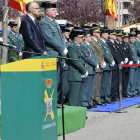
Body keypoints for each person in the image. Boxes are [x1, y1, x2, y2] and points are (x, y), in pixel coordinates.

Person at [39, 2, 68, 107]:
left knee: (57, 81)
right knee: (51, 81)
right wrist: (61, 48)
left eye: (56, 10)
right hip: (51, 55)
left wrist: (64, 49)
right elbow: (49, 38)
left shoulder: (55, 23)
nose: (56, 12)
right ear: (47, 11)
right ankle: (49, 103)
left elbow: (61, 38)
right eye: (53, 10)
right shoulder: (44, 23)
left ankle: (55, 101)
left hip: (58, 55)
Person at [67, 28, 88, 106]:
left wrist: (85, 69)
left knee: (80, 97)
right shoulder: (72, 46)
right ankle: (73, 115)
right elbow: (75, 61)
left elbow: (84, 59)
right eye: (81, 37)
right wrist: (84, 70)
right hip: (75, 74)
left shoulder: (80, 46)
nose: (83, 38)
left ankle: (79, 113)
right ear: (75, 38)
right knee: (74, 97)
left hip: (80, 74)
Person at [81, 30, 98, 108]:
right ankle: (84, 102)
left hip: (93, 68)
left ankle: (89, 101)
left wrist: (96, 63)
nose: (90, 37)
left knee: (91, 87)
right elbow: (87, 58)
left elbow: (94, 56)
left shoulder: (90, 45)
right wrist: (95, 64)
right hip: (88, 68)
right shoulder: (83, 45)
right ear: (84, 38)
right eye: (89, 36)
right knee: (86, 88)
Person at [90, 24, 106, 106]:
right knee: (94, 84)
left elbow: (101, 54)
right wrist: (100, 62)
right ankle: (92, 100)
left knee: (98, 84)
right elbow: (95, 54)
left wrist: (102, 62)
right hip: (96, 65)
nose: (99, 33)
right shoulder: (92, 41)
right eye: (98, 32)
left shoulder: (97, 41)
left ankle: (97, 98)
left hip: (100, 66)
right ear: (93, 33)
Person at [99, 28, 115, 104]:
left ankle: (107, 97)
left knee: (108, 83)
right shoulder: (101, 43)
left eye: (107, 34)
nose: (107, 35)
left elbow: (109, 53)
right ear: (102, 35)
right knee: (103, 83)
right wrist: (110, 60)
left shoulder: (105, 43)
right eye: (106, 34)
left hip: (109, 65)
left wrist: (112, 60)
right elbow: (104, 54)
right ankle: (102, 98)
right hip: (105, 65)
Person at [107, 30, 123, 102]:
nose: (115, 36)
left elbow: (118, 53)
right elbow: (113, 53)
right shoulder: (109, 43)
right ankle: (112, 96)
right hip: (113, 64)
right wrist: (119, 60)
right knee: (113, 82)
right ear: (110, 36)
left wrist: (120, 60)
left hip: (116, 65)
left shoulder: (114, 43)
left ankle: (115, 95)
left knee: (116, 82)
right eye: (114, 35)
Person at [119, 33, 133, 98]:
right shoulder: (121, 45)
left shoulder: (128, 45)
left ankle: (125, 92)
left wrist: (131, 60)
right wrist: (124, 59)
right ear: (123, 38)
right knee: (123, 80)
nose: (126, 39)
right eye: (125, 38)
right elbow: (121, 53)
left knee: (126, 80)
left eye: (127, 38)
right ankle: (122, 93)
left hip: (128, 65)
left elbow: (130, 53)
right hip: (124, 64)